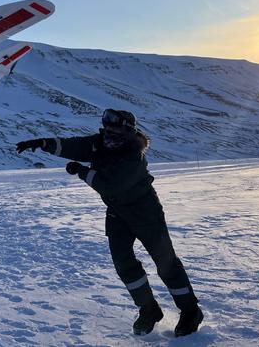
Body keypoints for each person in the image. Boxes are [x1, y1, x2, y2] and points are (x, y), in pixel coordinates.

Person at [16, 109, 204, 337]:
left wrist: (81, 171)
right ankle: (148, 309)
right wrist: (43, 142)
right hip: (117, 213)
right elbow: (73, 145)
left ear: (126, 130)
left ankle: (190, 311)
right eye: (106, 126)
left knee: (165, 262)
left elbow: (109, 185)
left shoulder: (133, 155)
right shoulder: (100, 143)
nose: (107, 130)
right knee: (123, 263)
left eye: (113, 127)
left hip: (145, 213)